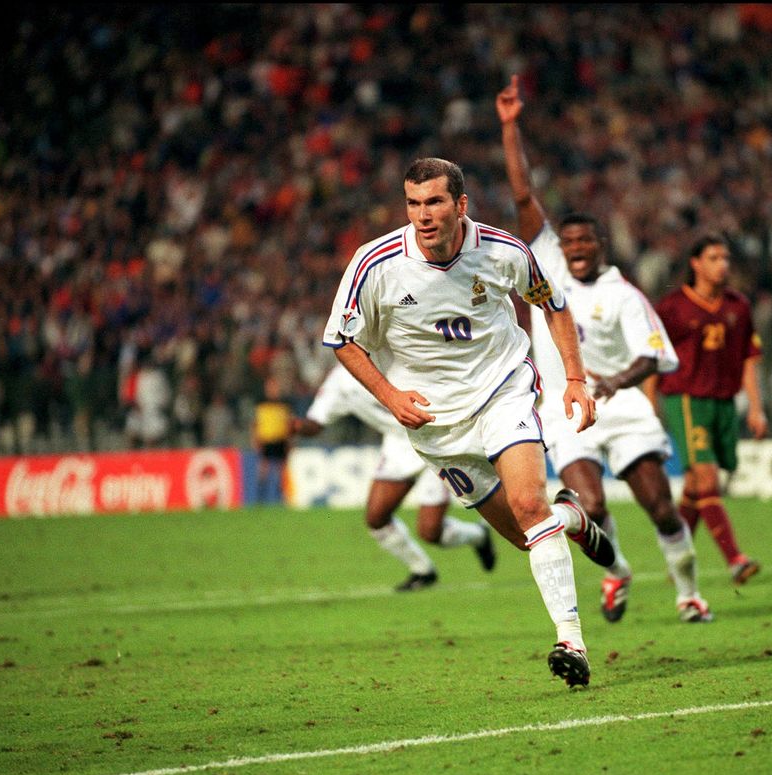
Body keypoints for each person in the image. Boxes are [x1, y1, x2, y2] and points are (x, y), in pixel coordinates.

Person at [322, 156, 615, 688]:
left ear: (460, 204)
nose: (423, 215)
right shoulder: (374, 264)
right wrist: (389, 396)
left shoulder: (503, 251)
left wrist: (574, 378)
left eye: (434, 202)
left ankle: (570, 639)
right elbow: (341, 340)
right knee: (532, 534)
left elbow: (553, 305)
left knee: (529, 505)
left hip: (502, 388)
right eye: (413, 204)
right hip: (435, 423)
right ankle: (571, 519)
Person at [496, 74, 712, 625]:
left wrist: (618, 382)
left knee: (660, 507)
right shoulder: (543, 260)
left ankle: (688, 591)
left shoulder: (624, 295)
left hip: (622, 406)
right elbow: (523, 194)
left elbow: (654, 354)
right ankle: (617, 570)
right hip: (565, 408)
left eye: (585, 241)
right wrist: (510, 127)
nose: (575, 250)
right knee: (589, 506)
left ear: (601, 245)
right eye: (568, 243)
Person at [290, 363, 496, 591]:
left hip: (433, 437)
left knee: (430, 531)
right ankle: (422, 570)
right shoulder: (340, 381)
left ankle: (478, 536)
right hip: (398, 445)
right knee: (376, 518)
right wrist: (294, 426)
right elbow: (316, 423)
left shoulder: (397, 357)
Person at [655, 234, 768, 586]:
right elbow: (652, 357)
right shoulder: (673, 307)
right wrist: (648, 404)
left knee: (694, 487)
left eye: (726, 258)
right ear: (696, 263)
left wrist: (756, 407)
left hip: (723, 402)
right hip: (686, 399)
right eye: (714, 258)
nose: (723, 264)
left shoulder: (739, 306)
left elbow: (750, 357)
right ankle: (735, 559)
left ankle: (678, 560)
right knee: (707, 478)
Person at [252, 376, 294, 504]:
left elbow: (288, 425)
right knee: (263, 469)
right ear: (266, 389)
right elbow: (255, 424)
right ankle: (261, 498)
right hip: (267, 439)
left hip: (280, 439)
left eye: (274, 387)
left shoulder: (284, 405)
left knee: (281, 470)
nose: (272, 390)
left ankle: (280, 497)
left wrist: (289, 442)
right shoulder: (261, 404)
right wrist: (255, 439)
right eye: (270, 387)